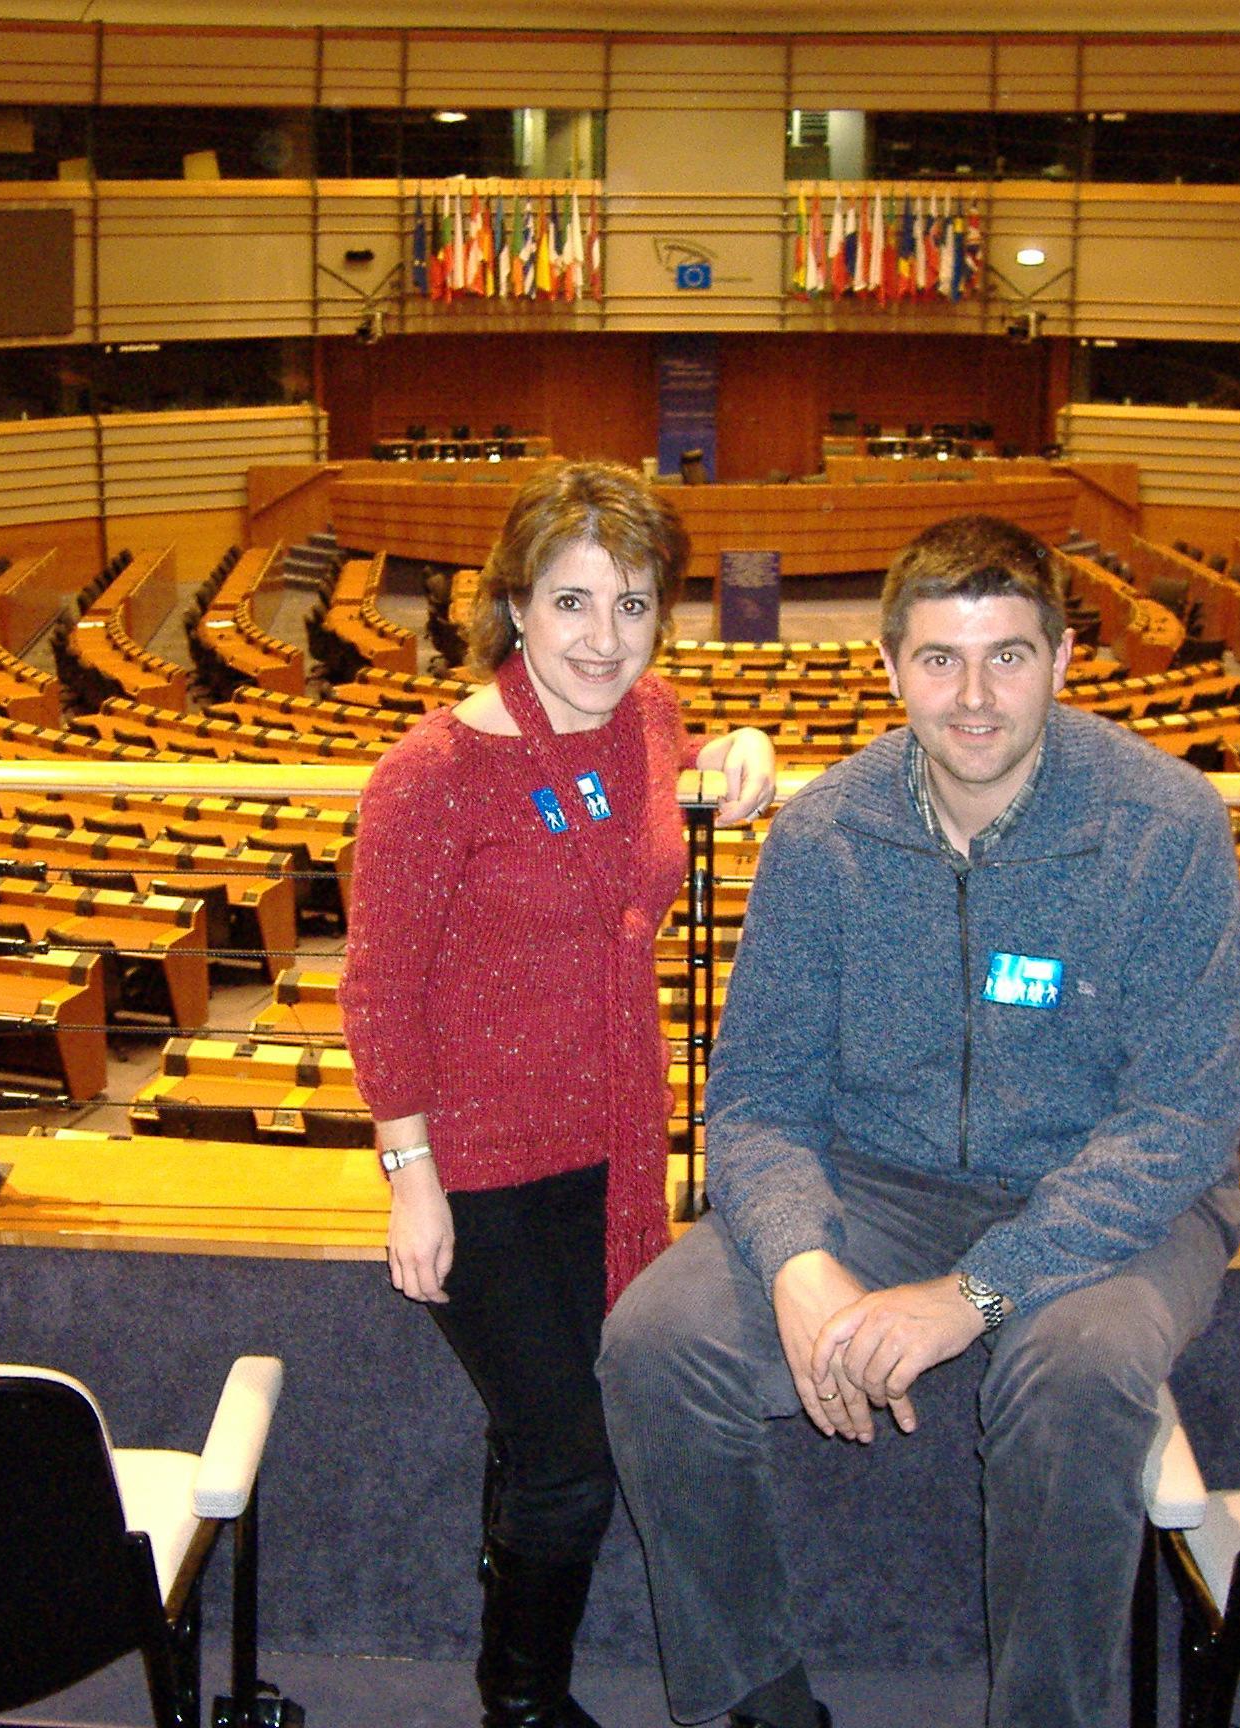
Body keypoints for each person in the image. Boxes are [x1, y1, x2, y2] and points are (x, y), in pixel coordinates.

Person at [599, 514, 1240, 1728]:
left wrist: (978, 1293)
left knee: (1080, 1372)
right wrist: (799, 1263)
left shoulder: (1166, 824)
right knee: (655, 1344)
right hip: (878, 1181)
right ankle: (753, 1692)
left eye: (1008, 655)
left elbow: (1184, 1115)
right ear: (890, 666)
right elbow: (757, 1100)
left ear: (1064, 659)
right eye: (940, 659)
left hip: (1116, 1193)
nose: (974, 699)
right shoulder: (825, 833)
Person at [340, 460, 776, 1728]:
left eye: (635, 605)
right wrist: (410, 1180)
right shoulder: (431, 773)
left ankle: (513, 1652)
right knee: (578, 1464)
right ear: (514, 605)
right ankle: (520, 1703)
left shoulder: (648, 721)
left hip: (608, 1148)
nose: (605, 638)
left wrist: (732, 744)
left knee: (543, 1439)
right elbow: (379, 991)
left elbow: (660, 767)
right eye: (573, 603)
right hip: (477, 1169)